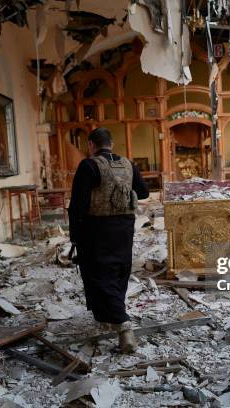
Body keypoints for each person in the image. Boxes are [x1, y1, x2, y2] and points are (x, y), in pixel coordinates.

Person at [68, 127, 149, 353]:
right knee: (119, 271)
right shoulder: (128, 164)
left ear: (91, 145)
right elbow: (143, 193)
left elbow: (77, 206)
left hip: (97, 229)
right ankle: (107, 318)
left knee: (98, 276)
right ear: (111, 144)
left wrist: (75, 236)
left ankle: (123, 325)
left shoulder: (89, 165)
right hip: (124, 228)